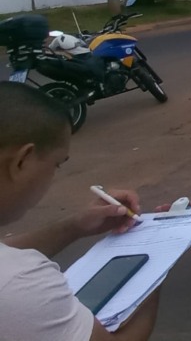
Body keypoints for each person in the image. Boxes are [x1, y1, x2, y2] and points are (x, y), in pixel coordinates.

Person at [0, 81, 162, 340]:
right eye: (57, 164)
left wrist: (75, 225)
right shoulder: (22, 282)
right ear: (23, 161)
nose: (53, 175)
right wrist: (155, 267)